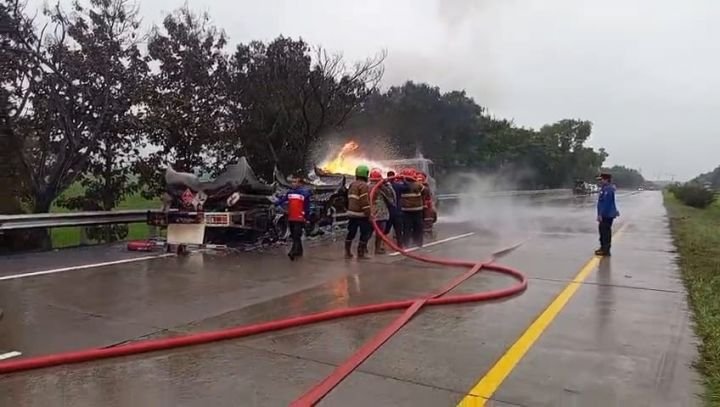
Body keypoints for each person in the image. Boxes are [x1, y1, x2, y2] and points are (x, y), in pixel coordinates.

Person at [275, 175, 312, 261]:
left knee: (296, 235)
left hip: (300, 218)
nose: (293, 184)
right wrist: (275, 203)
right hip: (291, 217)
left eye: (295, 182)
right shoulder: (290, 193)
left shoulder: (305, 194)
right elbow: (282, 200)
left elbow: (307, 207)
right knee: (295, 236)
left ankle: (293, 252)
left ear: (300, 183)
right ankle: (299, 251)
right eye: (292, 182)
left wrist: (306, 218)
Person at [346, 165, 373, 259]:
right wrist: (369, 214)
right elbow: (364, 201)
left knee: (351, 232)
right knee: (365, 233)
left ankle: (347, 252)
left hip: (351, 213)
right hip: (361, 214)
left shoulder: (352, 184)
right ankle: (361, 253)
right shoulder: (364, 186)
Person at [368, 168, 396, 254]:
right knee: (380, 232)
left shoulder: (367, 186)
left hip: (370, 213)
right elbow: (392, 198)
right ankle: (377, 248)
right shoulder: (382, 187)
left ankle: (363, 249)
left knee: (368, 232)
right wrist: (387, 184)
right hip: (381, 213)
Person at [399, 168, 426, 247]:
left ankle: (406, 243)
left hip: (405, 210)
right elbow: (425, 191)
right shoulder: (418, 185)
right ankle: (418, 242)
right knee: (418, 226)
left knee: (406, 227)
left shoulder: (402, 185)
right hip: (417, 210)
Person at [596, 172, 619, 256]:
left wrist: (600, 214)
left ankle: (605, 250)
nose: (600, 181)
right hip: (606, 214)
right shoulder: (605, 188)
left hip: (606, 215)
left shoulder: (608, 189)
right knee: (602, 231)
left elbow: (606, 203)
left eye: (601, 180)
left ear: (606, 180)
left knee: (605, 232)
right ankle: (603, 248)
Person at [384, 170, 406, 248]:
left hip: (388, 212)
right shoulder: (398, 186)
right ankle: (400, 245)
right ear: (394, 177)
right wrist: (404, 180)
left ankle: (381, 245)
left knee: (385, 230)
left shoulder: (384, 186)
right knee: (398, 231)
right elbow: (407, 187)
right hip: (397, 212)